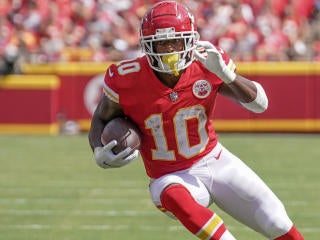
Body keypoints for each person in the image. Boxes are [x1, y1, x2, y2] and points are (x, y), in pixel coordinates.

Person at [88, 1, 304, 239]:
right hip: (169, 177)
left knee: (277, 222)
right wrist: (98, 148)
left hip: (214, 159)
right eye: (161, 43)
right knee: (173, 195)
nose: (170, 50)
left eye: (176, 41)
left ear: (190, 39)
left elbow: (260, 104)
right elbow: (101, 117)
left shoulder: (206, 63)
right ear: (147, 45)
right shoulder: (127, 77)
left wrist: (227, 75)